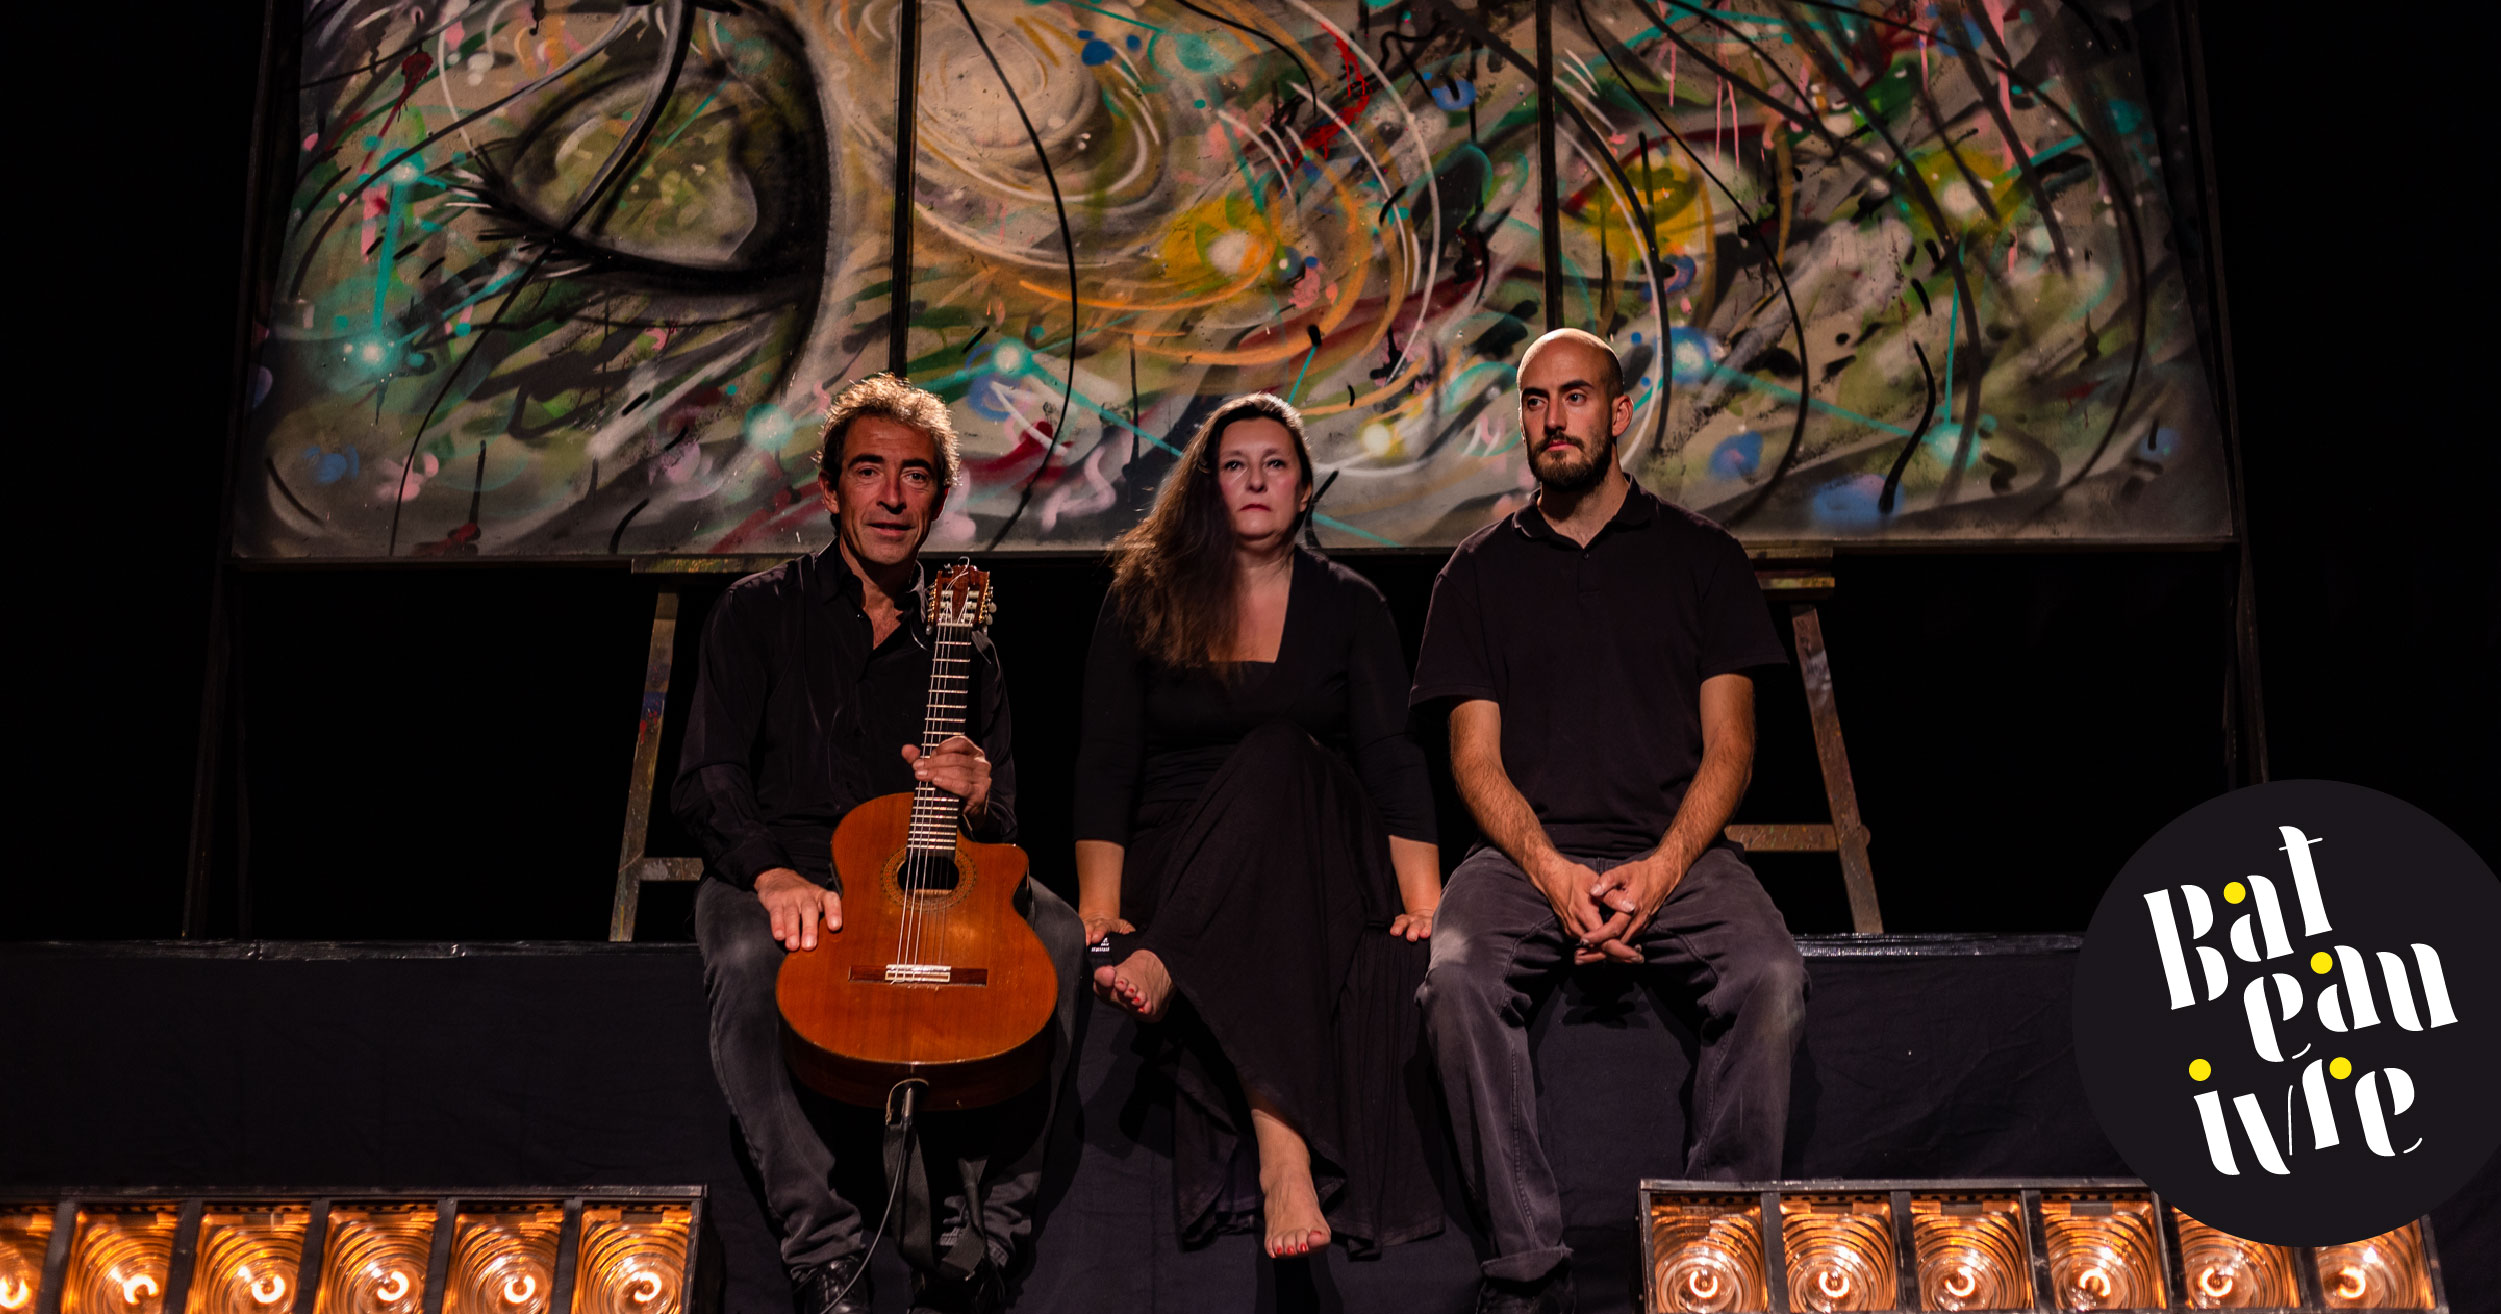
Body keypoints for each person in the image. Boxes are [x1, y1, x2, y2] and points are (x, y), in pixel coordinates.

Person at [1409, 330, 1807, 1314]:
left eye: (1575, 397)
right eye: (1536, 402)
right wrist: (1548, 872)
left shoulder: (1702, 559)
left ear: (1617, 413)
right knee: (1453, 980)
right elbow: (1472, 761)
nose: (1554, 419)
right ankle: (1526, 1266)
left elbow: (1731, 750)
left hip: (1674, 853)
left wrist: (1664, 869)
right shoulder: (1474, 573)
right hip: (1521, 858)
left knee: (1769, 977)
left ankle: (1711, 1260)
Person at [672, 375, 1085, 1314]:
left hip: (923, 877)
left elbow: (1006, 819)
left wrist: (978, 800)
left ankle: (980, 1241)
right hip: (785, 865)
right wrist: (771, 873)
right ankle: (824, 1250)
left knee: (1059, 938)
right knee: (741, 952)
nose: (892, 497)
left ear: (938, 499)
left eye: (914, 478)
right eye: (869, 472)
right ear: (831, 490)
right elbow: (705, 778)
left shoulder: (962, 641)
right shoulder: (757, 612)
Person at [1073, 393, 1447, 1260]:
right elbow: (1104, 763)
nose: (1255, 480)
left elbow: (1393, 759)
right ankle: (1284, 1153)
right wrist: (1099, 906)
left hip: (1316, 848)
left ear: (1305, 491)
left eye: (1274, 465)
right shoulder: (1143, 595)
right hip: (1185, 851)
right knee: (1261, 797)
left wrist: (1424, 901)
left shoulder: (1350, 606)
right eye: (1235, 465)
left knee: (1281, 751)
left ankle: (1169, 961)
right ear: (1208, 486)